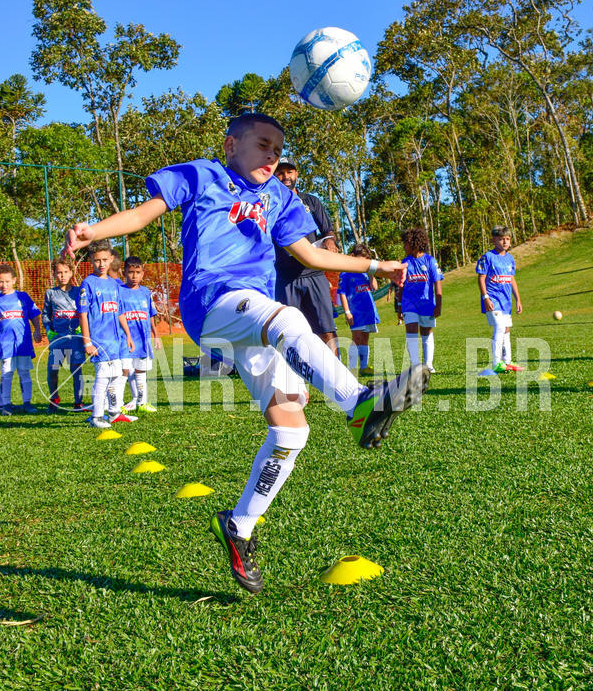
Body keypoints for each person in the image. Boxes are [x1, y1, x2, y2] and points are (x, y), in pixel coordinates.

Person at [64, 112, 429, 594]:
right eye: (263, 144)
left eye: (278, 149)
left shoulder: (280, 197)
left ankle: (238, 526)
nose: (272, 156)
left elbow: (313, 256)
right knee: (288, 319)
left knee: (291, 429)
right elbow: (143, 212)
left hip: (251, 318)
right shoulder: (202, 174)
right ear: (231, 143)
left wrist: (377, 265)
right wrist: (96, 231)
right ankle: (358, 402)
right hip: (212, 301)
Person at [273, 156, 340, 355]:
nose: (285, 176)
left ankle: (339, 375)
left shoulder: (311, 201)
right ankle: (294, 379)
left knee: (326, 330)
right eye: (281, 172)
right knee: (289, 334)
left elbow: (328, 230)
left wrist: (329, 240)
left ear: (296, 174)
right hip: (285, 279)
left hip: (314, 274)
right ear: (274, 174)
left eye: (289, 172)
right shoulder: (269, 203)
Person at [77, 240, 136, 428]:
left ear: (111, 259)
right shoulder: (88, 283)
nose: (101, 264)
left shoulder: (114, 284)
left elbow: (119, 312)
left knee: (116, 376)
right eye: (96, 260)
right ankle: (96, 417)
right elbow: (83, 314)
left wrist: (127, 334)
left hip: (116, 341)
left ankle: (113, 412)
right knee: (102, 377)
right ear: (91, 261)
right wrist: (87, 342)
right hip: (99, 341)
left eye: (104, 260)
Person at [0, 264, 42, 415]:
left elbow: (34, 314)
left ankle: (27, 402)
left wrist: (37, 330)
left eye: (7, 281)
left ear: (14, 280)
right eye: (1, 282)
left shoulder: (23, 296)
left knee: (24, 373)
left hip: (23, 343)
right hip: (6, 343)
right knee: (6, 373)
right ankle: (6, 404)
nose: (4, 285)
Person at [116, 255, 162, 414]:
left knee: (141, 371)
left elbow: (150, 314)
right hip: (125, 340)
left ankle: (142, 402)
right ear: (124, 273)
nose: (134, 276)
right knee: (125, 371)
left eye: (137, 272)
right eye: (130, 272)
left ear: (143, 273)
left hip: (143, 340)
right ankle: (119, 404)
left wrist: (156, 335)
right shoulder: (119, 291)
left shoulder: (145, 292)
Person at [476, 225, 524, 373]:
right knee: (499, 328)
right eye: (501, 239)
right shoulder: (488, 257)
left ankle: (507, 361)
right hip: (492, 300)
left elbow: (511, 280)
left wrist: (518, 299)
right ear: (494, 240)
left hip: (506, 301)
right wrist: (485, 297)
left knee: (507, 329)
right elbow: (481, 278)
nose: (505, 242)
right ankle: (496, 362)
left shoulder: (510, 258)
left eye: (508, 239)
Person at [42, 255, 86, 412]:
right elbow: (46, 314)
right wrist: (49, 331)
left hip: (76, 339)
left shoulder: (79, 292)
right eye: (59, 272)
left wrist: (82, 328)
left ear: (71, 272)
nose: (63, 275)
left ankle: (78, 402)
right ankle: (54, 398)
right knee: (52, 369)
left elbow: (85, 313)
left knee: (76, 370)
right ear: (54, 274)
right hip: (58, 339)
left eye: (66, 272)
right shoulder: (50, 293)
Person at [400, 228, 443, 374]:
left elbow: (437, 283)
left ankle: (428, 364)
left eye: (406, 243)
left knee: (426, 332)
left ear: (414, 243)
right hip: (409, 303)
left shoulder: (430, 261)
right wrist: (399, 306)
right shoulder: (405, 262)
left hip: (426, 304)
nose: (404, 247)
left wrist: (438, 304)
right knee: (411, 330)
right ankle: (415, 365)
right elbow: (401, 285)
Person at [338, 243, 380, 376]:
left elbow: (374, 287)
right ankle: (351, 368)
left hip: (368, 310)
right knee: (356, 338)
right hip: (355, 312)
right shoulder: (345, 274)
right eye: (361, 259)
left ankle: (364, 367)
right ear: (352, 256)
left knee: (365, 338)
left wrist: (371, 274)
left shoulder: (365, 273)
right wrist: (347, 312)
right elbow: (342, 293)